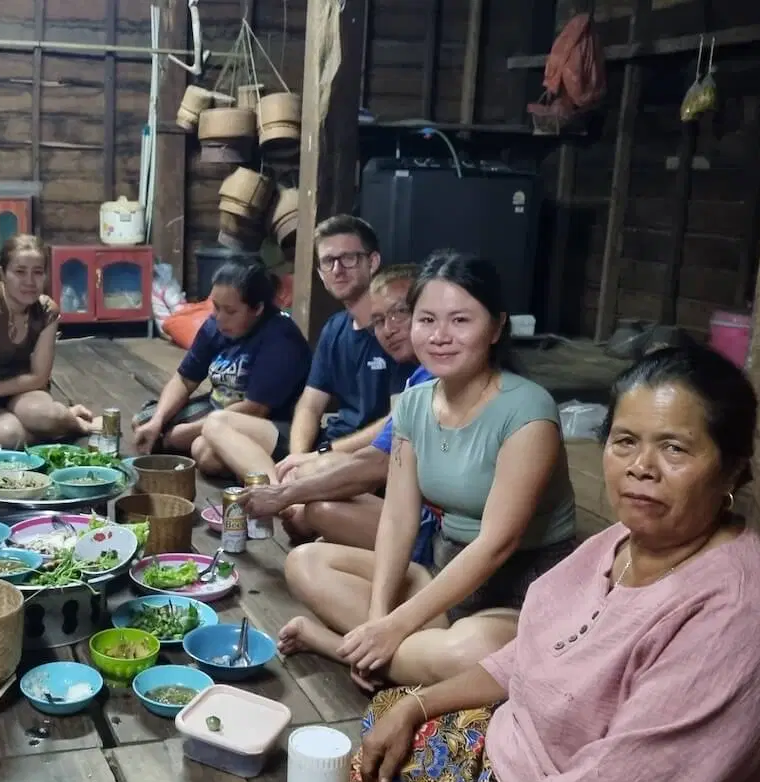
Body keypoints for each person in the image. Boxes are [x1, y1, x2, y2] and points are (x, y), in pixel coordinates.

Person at [351, 345, 760, 782]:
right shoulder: (616, 543)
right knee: (384, 722)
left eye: (675, 448)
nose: (641, 467)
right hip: (524, 745)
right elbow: (527, 656)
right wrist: (418, 704)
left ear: (732, 469)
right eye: (625, 441)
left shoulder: (738, 615)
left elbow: (629, 777)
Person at [279, 250, 577, 690]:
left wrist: (394, 629)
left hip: (519, 599)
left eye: (460, 321)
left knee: (470, 652)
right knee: (305, 561)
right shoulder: (416, 402)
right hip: (442, 578)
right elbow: (398, 519)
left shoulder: (528, 411)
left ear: (496, 327)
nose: (440, 336)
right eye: (426, 319)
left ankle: (332, 644)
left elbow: (497, 543)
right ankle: (388, 649)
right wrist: (381, 618)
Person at [191, 215, 417, 484]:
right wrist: (297, 456)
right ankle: (282, 490)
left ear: (373, 262)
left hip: (363, 453)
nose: (338, 269)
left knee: (214, 452)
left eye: (348, 258)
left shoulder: (398, 335)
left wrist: (320, 454)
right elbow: (310, 406)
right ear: (321, 274)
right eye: (328, 262)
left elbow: (395, 425)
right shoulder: (335, 328)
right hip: (327, 442)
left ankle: (284, 493)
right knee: (212, 432)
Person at [240, 265, 437, 550]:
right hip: (398, 499)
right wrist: (294, 478)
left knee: (317, 504)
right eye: (379, 320)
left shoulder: (438, 378)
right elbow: (374, 453)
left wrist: (285, 494)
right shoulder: (418, 377)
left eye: (400, 313)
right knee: (311, 517)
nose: (389, 329)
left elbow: (377, 466)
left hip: (435, 531)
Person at [130, 261, 311, 470]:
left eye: (230, 311)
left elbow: (255, 408)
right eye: (216, 307)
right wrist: (158, 421)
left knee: (205, 453)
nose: (220, 318)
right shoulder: (213, 325)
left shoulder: (281, 339)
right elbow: (184, 379)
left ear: (258, 308)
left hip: (266, 421)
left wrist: (185, 433)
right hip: (217, 407)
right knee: (144, 423)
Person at [0, 234, 98, 447]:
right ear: (3, 273)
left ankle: (73, 422)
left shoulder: (47, 310)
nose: (29, 281)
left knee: (48, 416)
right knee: (9, 436)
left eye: (37, 272)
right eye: (20, 272)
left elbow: (39, 377)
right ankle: (59, 424)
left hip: (25, 391)